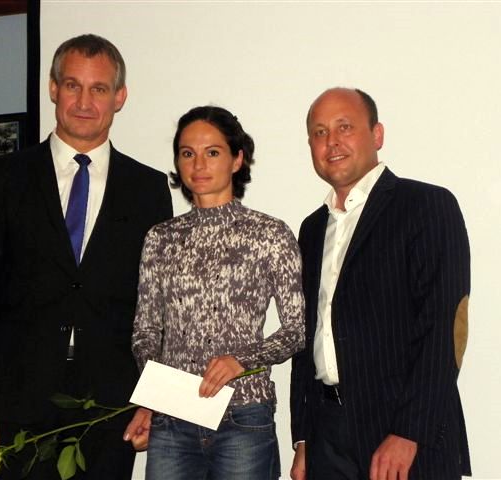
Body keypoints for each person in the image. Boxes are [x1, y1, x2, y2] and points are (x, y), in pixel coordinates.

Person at [0, 34, 173, 480]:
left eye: (99, 89)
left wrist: (155, 399)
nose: (84, 102)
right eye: (73, 85)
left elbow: (161, 308)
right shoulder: (4, 178)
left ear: (119, 97)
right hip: (13, 402)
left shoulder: (148, 189)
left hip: (112, 407)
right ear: (53, 88)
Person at [289, 88, 471, 480]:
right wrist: (304, 437)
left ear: (377, 135)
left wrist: (409, 431)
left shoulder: (426, 206)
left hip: (402, 434)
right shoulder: (311, 228)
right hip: (326, 434)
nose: (331, 141)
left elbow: (443, 327)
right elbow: (307, 337)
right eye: (319, 132)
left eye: (345, 127)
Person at [126, 106, 305, 480]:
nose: (198, 164)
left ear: (237, 159)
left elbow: (296, 331)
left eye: (212, 152)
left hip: (244, 416)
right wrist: (157, 392)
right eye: (187, 153)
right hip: (173, 419)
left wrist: (240, 360)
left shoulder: (270, 234)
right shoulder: (160, 238)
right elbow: (145, 332)